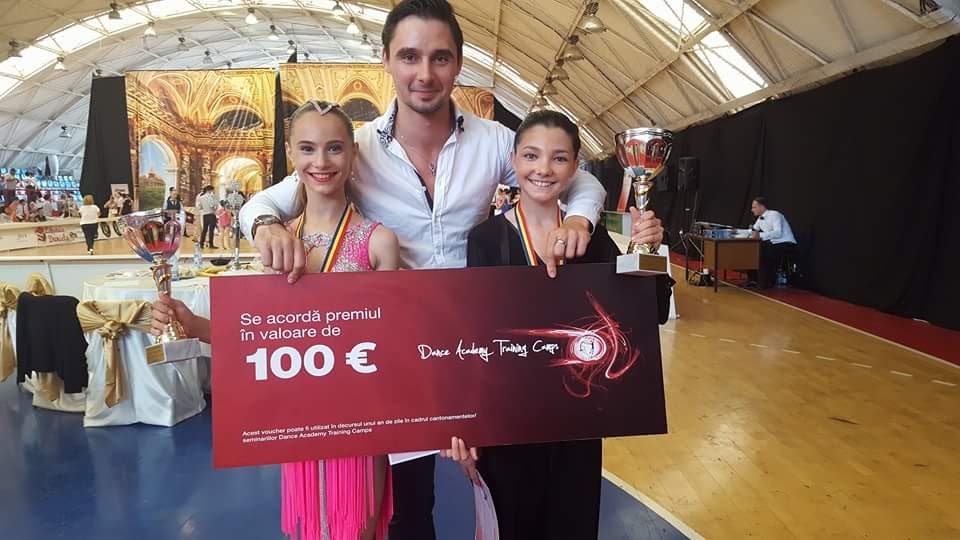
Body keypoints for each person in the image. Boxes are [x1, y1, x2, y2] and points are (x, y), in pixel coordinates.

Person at [239, 3, 664, 536]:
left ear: (459, 63)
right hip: (402, 353)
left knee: (508, 490)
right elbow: (268, 201)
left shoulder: (494, 141)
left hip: (483, 351)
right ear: (386, 60)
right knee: (408, 510)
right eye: (409, 56)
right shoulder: (357, 149)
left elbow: (572, 174)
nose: (424, 73)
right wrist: (265, 227)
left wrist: (579, 220)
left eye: (440, 58)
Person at [152, 101, 401, 540]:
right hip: (299, 417)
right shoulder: (276, 244)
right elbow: (260, 340)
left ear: (353, 154)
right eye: (307, 148)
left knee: (357, 529)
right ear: (290, 154)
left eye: (334, 148)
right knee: (310, 530)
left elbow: (394, 348)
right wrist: (193, 325)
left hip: (358, 420)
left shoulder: (378, 242)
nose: (320, 161)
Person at [442, 110, 673, 540]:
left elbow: (650, 312)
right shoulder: (485, 239)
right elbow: (476, 337)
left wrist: (650, 253)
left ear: (575, 166)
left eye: (559, 158)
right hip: (510, 426)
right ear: (514, 160)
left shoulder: (592, 239)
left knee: (573, 526)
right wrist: (469, 422)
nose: (543, 169)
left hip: (576, 421)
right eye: (531, 156)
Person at [749, 196, 797, 288]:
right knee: (754, 251)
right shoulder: (760, 219)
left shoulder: (775, 215)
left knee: (764, 253)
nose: (752, 210)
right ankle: (753, 280)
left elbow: (778, 233)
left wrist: (760, 235)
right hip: (773, 244)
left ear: (762, 207)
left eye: (754, 207)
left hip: (786, 243)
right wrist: (737, 233)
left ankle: (764, 283)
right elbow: (753, 231)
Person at [196, 185, 219, 249]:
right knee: (211, 230)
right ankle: (211, 245)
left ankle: (201, 244)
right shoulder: (211, 197)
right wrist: (216, 204)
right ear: (210, 190)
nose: (214, 191)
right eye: (213, 190)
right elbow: (212, 206)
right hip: (211, 214)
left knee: (204, 230)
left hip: (205, 215)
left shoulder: (201, 197)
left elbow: (199, 207)